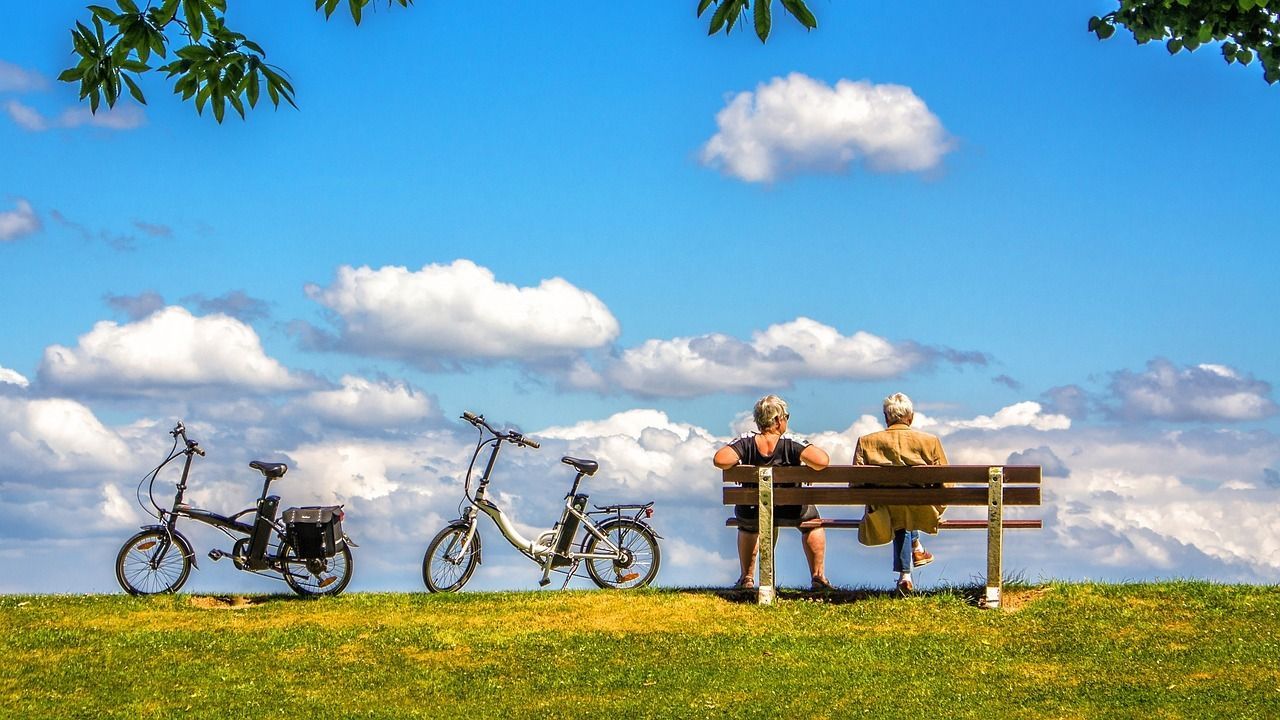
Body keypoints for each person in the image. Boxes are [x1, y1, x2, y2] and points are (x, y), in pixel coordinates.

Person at [713, 394, 832, 591]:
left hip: (753, 510)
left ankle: (747, 577)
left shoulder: (746, 442)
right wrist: (804, 467)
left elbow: (720, 459)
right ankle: (818, 577)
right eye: (786, 416)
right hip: (791, 509)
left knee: (748, 525)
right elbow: (822, 461)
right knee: (813, 525)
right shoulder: (790, 442)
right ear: (777, 420)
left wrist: (740, 467)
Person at [853, 392, 948, 594]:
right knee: (906, 509)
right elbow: (947, 484)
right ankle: (914, 553)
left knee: (896, 508)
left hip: (882, 512)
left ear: (886, 417)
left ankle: (906, 572)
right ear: (911, 417)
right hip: (921, 509)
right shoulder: (930, 441)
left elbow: (855, 484)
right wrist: (937, 507)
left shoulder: (866, 442)